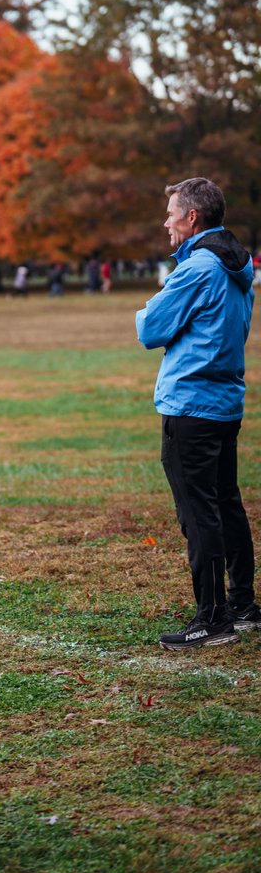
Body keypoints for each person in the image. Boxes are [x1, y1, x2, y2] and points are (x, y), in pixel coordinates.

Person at [136, 177, 259, 650]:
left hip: (190, 404)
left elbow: (150, 327)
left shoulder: (199, 268)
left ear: (193, 217)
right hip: (224, 403)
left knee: (199, 512)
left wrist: (151, 306)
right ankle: (243, 605)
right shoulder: (236, 262)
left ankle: (212, 618)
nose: (165, 221)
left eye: (171, 213)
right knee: (225, 503)